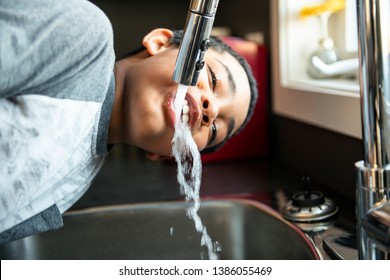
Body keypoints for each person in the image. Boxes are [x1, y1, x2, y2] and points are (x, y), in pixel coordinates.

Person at [0, 0, 258, 243]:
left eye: (214, 130)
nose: (212, 109)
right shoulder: (84, 36)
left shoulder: (72, 186)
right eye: (213, 79)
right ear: (159, 42)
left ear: (168, 155)